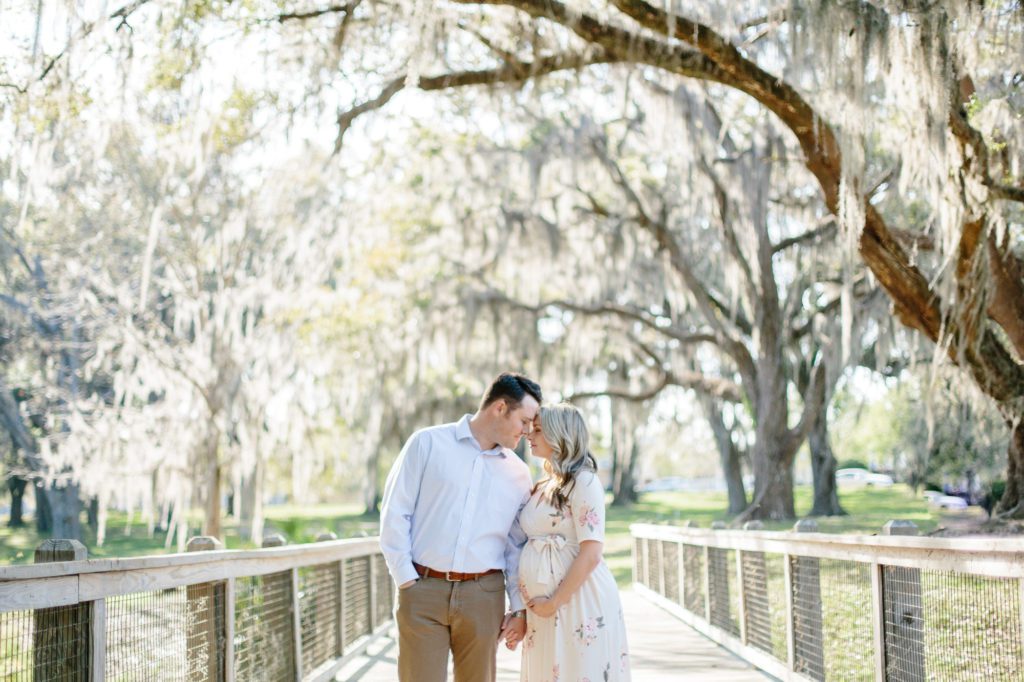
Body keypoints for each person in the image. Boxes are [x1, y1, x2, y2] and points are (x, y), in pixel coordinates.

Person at [379, 372, 542, 682]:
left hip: (483, 596)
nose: (528, 430)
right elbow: (395, 512)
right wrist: (406, 580)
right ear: (499, 408)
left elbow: (515, 548)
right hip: (423, 590)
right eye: (524, 420)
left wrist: (518, 608)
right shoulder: (427, 443)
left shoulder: (519, 474)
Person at [511, 403, 631, 681]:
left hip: (577, 602)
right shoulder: (543, 485)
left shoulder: (584, 482)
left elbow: (591, 553)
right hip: (542, 610)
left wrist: (554, 602)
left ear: (560, 435)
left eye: (538, 429)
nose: (530, 434)